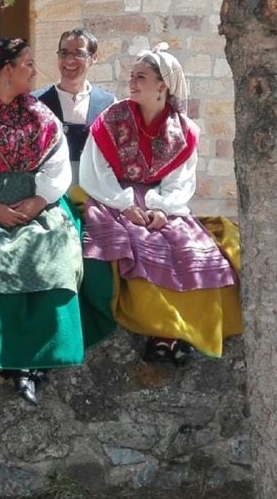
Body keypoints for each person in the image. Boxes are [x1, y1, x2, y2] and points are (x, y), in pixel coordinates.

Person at [0, 38, 103, 406]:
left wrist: (40, 199)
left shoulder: (40, 115)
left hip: (37, 202)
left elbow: (58, 167)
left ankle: (44, 356)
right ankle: (10, 358)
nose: (34, 70)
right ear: (5, 69)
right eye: (27, 63)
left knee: (55, 247)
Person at [80, 43, 242, 365]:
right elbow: (95, 171)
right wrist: (124, 204)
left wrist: (161, 208)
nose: (132, 82)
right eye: (132, 75)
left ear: (162, 85)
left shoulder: (184, 131)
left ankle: (179, 335)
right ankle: (162, 330)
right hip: (113, 197)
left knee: (192, 249)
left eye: (141, 76)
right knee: (137, 245)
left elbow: (181, 182)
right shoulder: (112, 119)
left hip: (163, 203)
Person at [34, 28, 116, 190]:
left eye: (78, 53)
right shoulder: (36, 103)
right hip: (49, 192)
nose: (69, 61)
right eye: (64, 53)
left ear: (94, 57)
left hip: (95, 192)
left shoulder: (108, 104)